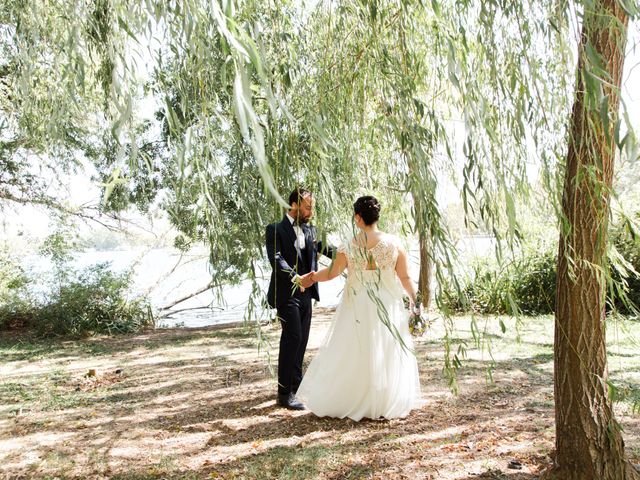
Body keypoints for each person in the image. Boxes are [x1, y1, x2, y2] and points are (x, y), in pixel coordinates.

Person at [296, 195, 421, 421]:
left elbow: (332, 273)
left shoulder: (350, 246)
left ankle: (353, 396)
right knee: (386, 348)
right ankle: (383, 398)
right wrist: (415, 300)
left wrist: (311, 277)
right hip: (387, 304)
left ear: (358, 217)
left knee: (355, 349)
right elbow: (405, 277)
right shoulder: (394, 243)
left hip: (357, 305)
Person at [265, 187, 335, 410]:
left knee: (302, 338)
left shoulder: (312, 231)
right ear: (294, 205)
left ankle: (296, 384)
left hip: (307, 295)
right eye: (307, 207)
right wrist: (296, 278)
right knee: (292, 337)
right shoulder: (274, 229)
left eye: (312, 207)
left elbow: (328, 250)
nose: (310, 211)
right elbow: (276, 259)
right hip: (287, 293)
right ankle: (283, 393)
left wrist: (353, 253)